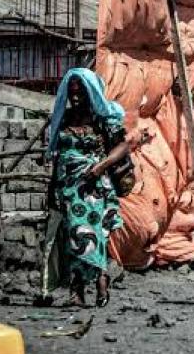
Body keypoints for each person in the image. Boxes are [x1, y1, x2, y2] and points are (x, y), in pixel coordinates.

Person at [46, 69, 131, 308]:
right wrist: (52, 189)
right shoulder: (64, 118)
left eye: (80, 93)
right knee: (76, 235)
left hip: (94, 187)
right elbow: (58, 156)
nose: (75, 98)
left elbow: (123, 147)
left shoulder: (103, 119)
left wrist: (100, 166)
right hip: (69, 186)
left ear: (90, 93)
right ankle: (81, 287)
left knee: (91, 235)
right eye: (71, 93)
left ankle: (98, 278)